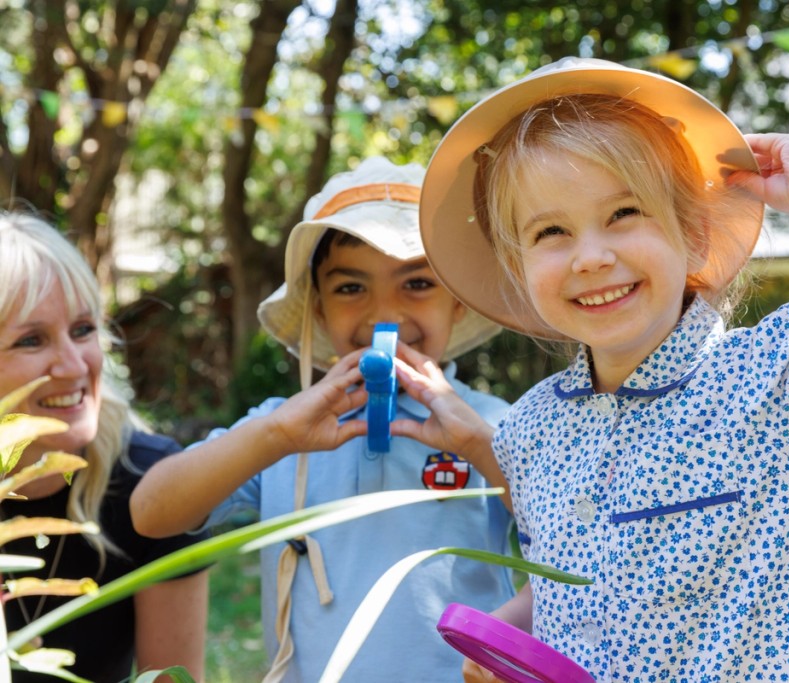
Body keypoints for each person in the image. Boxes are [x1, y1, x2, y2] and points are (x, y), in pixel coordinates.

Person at [417, 57, 789, 682]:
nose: (592, 257)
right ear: (517, 266)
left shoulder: (774, 377)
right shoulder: (528, 431)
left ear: (691, 232)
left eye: (623, 214)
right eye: (551, 231)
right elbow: (575, 588)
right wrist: (505, 639)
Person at [129, 157, 517, 683]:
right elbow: (151, 513)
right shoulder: (282, 431)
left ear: (458, 304)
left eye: (417, 283)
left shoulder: (494, 424)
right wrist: (275, 436)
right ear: (317, 310)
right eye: (351, 288)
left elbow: (570, 527)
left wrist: (474, 443)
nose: (387, 315)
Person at [0, 211, 209, 682]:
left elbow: (171, 678)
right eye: (32, 340)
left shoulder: (151, 483)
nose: (74, 366)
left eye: (83, 330)